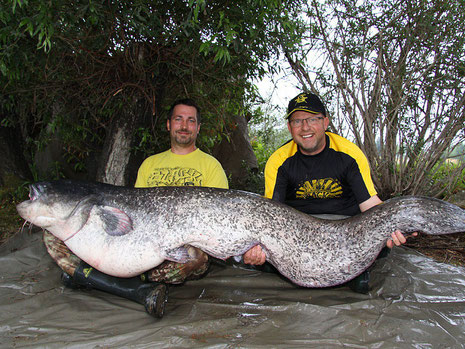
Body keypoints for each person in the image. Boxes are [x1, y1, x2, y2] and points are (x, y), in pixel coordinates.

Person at [43, 98, 228, 318]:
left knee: (196, 258)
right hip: (141, 242)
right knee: (52, 233)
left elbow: (219, 218)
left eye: (191, 121)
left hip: (178, 246)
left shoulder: (211, 166)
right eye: (178, 119)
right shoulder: (150, 164)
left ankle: (95, 278)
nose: (184, 126)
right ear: (169, 125)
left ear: (198, 128)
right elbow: (135, 213)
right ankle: (131, 283)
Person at [243, 92, 414, 293]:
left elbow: (370, 205)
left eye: (312, 119)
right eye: (297, 121)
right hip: (298, 234)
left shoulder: (349, 154)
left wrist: (396, 226)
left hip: (346, 231)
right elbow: (270, 216)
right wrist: (255, 247)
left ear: (325, 122)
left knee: (371, 262)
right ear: (290, 128)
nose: (305, 127)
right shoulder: (279, 161)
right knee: (262, 260)